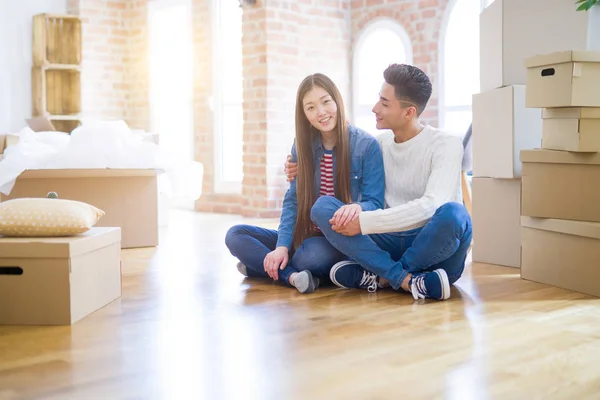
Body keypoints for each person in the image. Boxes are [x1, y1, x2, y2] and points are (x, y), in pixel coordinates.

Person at [285, 64, 472, 301]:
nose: (375, 108)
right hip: (388, 241)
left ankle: (382, 278)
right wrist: (297, 167)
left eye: (384, 103)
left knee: (455, 214)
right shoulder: (377, 145)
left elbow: (430, 206)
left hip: (433, 247)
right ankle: (411, 281)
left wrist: (364, 221)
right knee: (322, 208)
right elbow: (343, 156)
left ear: (408, 112)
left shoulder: (446, 144)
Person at [225, 73, 385, 294]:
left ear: (337, 101)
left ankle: (260, 267)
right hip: (302, 234)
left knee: (309, 257)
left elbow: (375, 203)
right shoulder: (302, 145)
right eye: (310, 107)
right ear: (304, 115)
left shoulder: (366, 146)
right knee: (235, 234)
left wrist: (357, 207)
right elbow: (293, 201)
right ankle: (291, 276)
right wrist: (281, 246)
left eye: (326, 102)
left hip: (336, 241)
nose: (320, 112)